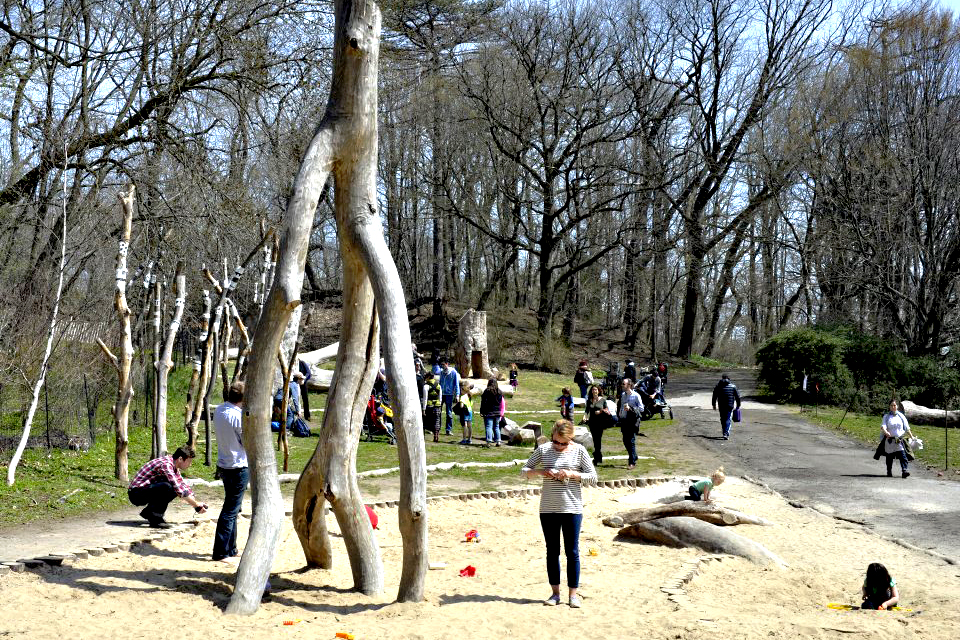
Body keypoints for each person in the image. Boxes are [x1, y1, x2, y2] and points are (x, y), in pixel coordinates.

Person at [521, 420, 598, 609]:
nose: (559, 446)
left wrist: (572, 474)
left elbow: (593, 477)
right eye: (556, 441)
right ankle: (555, 594)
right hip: (548, 508)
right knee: (552, 551)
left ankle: (573, 595)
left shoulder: (580, 450)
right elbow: (524, 471)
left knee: (572, 552)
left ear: (571, 438)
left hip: (572, 508)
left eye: (564, 443)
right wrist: (541, 472)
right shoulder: (544, 449)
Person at [128, 446, 208, 528]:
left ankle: (150, 512)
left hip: (145, 490)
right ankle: (155, 518)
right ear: (180, 459)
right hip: (136, 494)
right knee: (167, 487)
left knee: (172, 488)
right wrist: (195, 505)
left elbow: (182, 485)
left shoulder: (173, 466)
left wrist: (197, 503)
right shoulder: (166, 465)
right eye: (189, 461)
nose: (190, 464)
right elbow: (179, 490)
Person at [212, 382, 248, 563]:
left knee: (233, 509)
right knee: (230, 510)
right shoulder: (238, 417)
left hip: (225, 464)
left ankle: (231, 548)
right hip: (238, 466)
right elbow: (246, 442)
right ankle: (221, 552)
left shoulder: (219, 410)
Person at [879, 400, 914, 479]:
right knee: (889, 456)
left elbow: (907, 427)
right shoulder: (886, 416)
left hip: (899, 440)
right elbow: (883, 426)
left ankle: (904, 471)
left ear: (897, 406)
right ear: (889, 407)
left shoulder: (901, 416)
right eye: (891, 405)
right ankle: (889, 471)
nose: (893, 407)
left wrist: (912, 437)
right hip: (890, 440)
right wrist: (886, 432)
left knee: (903, 455)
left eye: (894, 405)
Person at [618, 378, 643, 469]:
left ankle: (632, 462)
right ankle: (634, 455)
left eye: (623, 384)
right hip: (624, 420)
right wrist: (620, 413)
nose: (622, 385)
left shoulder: (636, 395)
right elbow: (621, 406)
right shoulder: (623, 395)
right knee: (625, 441)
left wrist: (631, 408)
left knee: (631, 440)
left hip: (633, 421)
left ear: (629, 385)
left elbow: (641, 409)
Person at [584, 384, 611, 466]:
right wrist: (584, 417)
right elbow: (587, 410)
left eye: (596, 389)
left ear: (599, 391)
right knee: (595, 439)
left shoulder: (603, 400)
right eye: (593, 390)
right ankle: (598, 456)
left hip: (600, 422)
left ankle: (597, 457)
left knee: (598, 439)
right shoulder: (589, 400)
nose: (594, 391)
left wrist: (600, 411)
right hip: (592, 423)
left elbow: (607, 410)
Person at [711, 373, 741, 439]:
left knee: (722, 419)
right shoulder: (733, 386)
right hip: (729, 406)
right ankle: (726, 433)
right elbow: (737, 397)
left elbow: (714, 396)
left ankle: (724, 432)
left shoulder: (718, 386)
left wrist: (714, 405)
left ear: (722, 378)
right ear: (728, 379)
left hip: (721, 405)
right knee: (727, 419)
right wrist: (738, 405)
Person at [480, 377, 506, 447]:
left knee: (489, 427)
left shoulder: (487, 391)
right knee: (496, 427)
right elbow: (500, 402)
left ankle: (488, 441)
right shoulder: (499, 392)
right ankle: (498, 441)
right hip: (497, 412)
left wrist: (482, 410)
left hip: (489, 412)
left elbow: (483, 402)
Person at [439, 359, 461, 436]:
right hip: (441, 394)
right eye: (441, 365)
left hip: (449, 395)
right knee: (438, 411)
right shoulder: (441, 372)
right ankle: (437, 428)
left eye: (443, 364)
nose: (442, 366)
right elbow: (440, 382)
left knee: (449, 413)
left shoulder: (453, 372)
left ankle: (448, 429)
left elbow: (456, 384)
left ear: (447, 364)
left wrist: (457, 395)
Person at [421, 371, 442, 442]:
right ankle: (436, 435)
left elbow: (425, 398)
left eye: (426, 377)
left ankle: (423, 436)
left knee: (426, 421)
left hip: (429, 406)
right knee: (436, 421)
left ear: (428, 377)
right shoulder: (439, 385)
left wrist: (423, 409)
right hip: (437, 405)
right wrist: (439, 404)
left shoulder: (426, 386)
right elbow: (440, 398)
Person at [456, 380, 474, 445]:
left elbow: (461, 406)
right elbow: (471, 404)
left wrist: (459, 403)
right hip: (470, 411)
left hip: (464, 412)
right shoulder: (469, 395)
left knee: (464, 426)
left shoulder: (462, 397)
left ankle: (464, 439)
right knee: (470, 426)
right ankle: (469, 439)